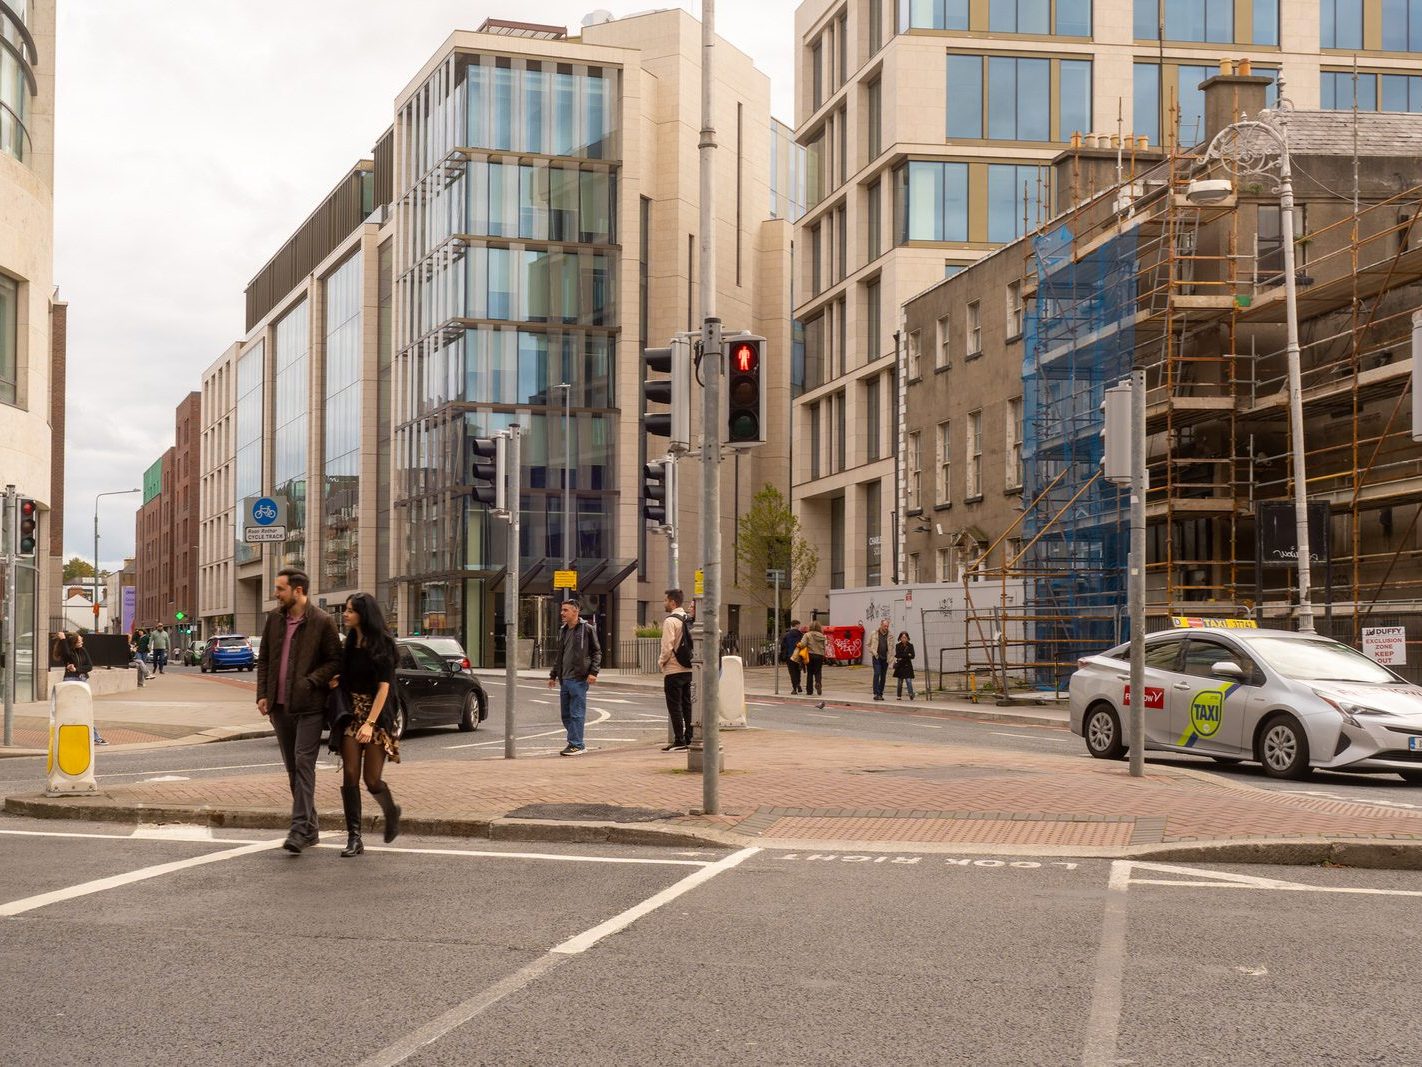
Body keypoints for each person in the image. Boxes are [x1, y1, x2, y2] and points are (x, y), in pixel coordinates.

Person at [256, 567, 342, 855]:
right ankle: (312, 828)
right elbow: (265, 658)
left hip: (309, 706)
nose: (275, 594)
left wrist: (311, 681)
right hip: (279, 707)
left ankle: (298, 829)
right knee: (294, 770)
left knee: (304, 764)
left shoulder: (322, 621)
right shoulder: (274, 620)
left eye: (280, 589)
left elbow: (334, 661)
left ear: (298, 591)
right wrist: (263, 695)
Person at [331, 592, 401, 857]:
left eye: (350, 610)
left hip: (377, 715)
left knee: (371, 780)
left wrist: (370, 724)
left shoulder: (382, 644)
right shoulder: (349, 643)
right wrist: (338, 681)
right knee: (350, 774)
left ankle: (391, 811)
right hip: (351, 714)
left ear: (363, 614)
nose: (345, 614)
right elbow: (349, 675)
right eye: (346, 610)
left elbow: (384, 688)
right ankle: (354, 838)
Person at [546, 599, 600, 756]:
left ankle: (576, 744)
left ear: (575, 611)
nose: (562, 613)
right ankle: (578, 742)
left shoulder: (587, 629)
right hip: (565, 679)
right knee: (566, 715)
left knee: (576, 713)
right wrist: (553, 675)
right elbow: (560, 656)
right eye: (562, 610)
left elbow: (597, 652)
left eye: (565, 610)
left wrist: (593, 672)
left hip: (579, 678)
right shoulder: (563, 630)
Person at [658, 588, 693, 752]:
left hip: (673, 669)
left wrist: (661, 662)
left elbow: (667, 646)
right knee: (687, 704)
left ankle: (679, 740)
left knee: (674, 706)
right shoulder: (688, 618)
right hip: (689, 668)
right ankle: (690, 736)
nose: (664, 603)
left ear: (672, 602)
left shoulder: (670, 621)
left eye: (666, 600)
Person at [57, 632, 107, 745]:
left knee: (86, 710)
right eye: (79, 641)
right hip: (70, 681)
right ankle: (69, 736)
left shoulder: (83, 650)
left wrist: (77, 669)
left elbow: (89, 666)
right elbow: (68, 655)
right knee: (70, 710)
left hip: (83, 680)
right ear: (73, 643)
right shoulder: (68, 654)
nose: (82, 642)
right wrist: (63, 640)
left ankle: (94, 737)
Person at [797, 621, 827, 698]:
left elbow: (803, 644)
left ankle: (809, 690)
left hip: (810, 655)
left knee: (810, 672)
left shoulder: (807, 635)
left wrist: (798, 645)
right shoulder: (822, 636)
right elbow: (825, 646)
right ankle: (818, 683)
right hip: (820, 655)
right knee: (818, 671)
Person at [780, 619, 805, 694]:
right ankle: (798, 684)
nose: (799, 626)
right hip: (799, 656)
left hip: (789, 656)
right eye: (799, 625)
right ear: (796, 625)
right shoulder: (801, 635)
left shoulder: (786, 635)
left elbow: (783, 646)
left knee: (792, 672)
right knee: (798, 671)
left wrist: (783, 655)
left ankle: (794, 688)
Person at [870, 618, 891, 701]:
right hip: (876, 657)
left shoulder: (890, 635)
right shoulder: (874, 633)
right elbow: (868, 644)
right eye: (885, 626)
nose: (886, 627)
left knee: (883, 676)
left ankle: (880, 693)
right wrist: (873, 651)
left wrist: (891, 658)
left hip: (885, 658)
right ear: (881, 625)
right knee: (877, 673)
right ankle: (876, 692)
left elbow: (891, 648)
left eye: (887, 626)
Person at [893, 631, 917, 701]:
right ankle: (899, 695)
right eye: (902, 637)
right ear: (900, 638)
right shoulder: (898, 645)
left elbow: (912, 656)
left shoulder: (910, 645)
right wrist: (907, 655)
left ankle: (911, 694)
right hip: (900, 665)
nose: (904, 639)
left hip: (907, 665)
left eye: (905, 637)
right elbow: (897, 655)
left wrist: (903, 656)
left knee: (908, 680)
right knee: (900, 681)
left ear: (907, 638)